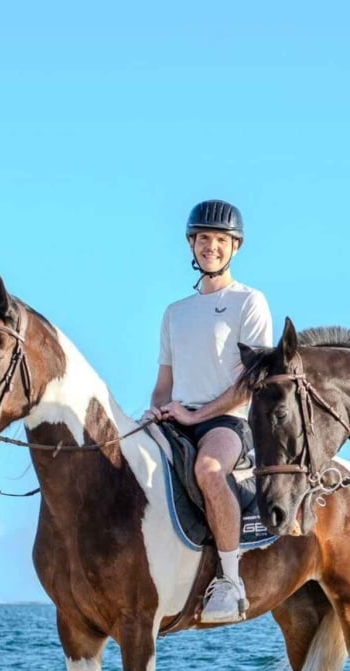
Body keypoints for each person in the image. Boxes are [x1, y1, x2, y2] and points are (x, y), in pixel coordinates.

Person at [143, 199, 274, 623]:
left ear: (234, 246)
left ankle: (230, 582)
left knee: (209, 469)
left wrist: (197, 417)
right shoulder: (175, 313)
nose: (210, 247)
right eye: (203, 239)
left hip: (229, 420)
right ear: (191, 244)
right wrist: (154, 412)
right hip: (178, 415)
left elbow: (250, 384)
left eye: (219, 240)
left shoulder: (249, 301)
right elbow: (164, 382)